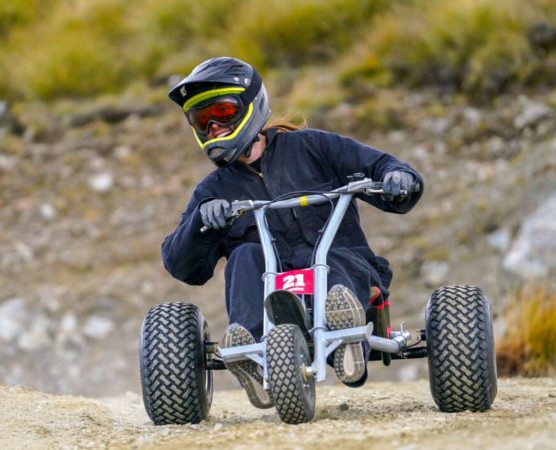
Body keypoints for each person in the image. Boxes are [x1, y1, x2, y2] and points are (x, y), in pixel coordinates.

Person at [161, 57, 423, 408]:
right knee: (244, 256)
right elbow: (182, 265)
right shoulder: (214, 190)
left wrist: (397, 179)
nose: (214, 129)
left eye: (222, 113)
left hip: (342, 272)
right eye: (201, 120)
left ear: (252, 106)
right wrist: (201, 224)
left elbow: (382, 166)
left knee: (329, 256)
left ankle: (347, 340)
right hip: (274, 297)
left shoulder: (313, 147)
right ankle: (253, 359)